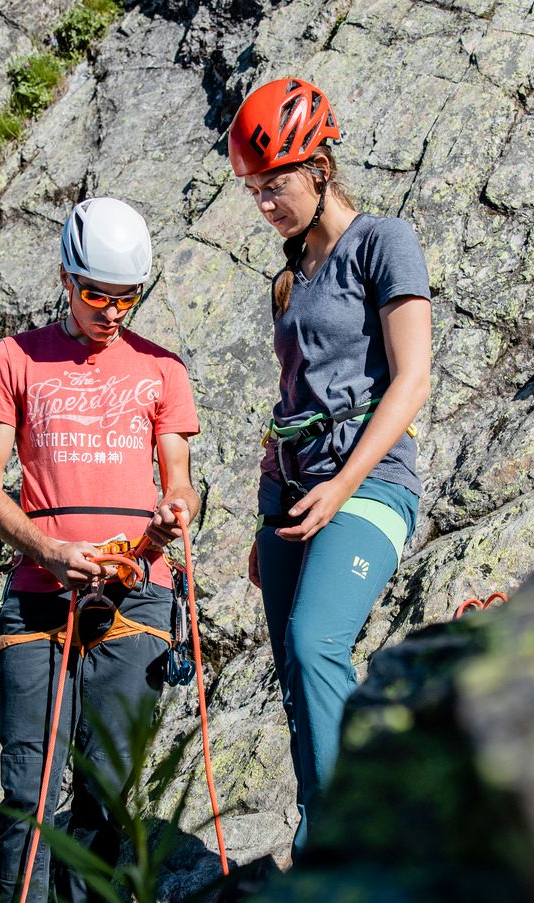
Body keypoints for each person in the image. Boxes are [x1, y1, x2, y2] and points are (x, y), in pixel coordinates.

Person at [0, 196, 201, 903]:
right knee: (32, 790)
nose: (112, 311)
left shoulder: (162, 368)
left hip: (138, 590)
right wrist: (47, 548)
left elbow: (180, 479)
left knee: (105, 783)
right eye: (98, 293)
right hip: (39, 592)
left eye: (127, 296)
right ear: (67, 278)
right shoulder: (15, 360)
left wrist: (174, 515)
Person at [227, 79, 433, 849]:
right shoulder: (289, 280)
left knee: (317, 643)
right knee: (296, 680)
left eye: (274, 185)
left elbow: (412, 379)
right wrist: (265, 513)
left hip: (370, 485)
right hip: (289, 496)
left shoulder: (383, 242)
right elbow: (289, 404)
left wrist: (342, 483)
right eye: (254, 191)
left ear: (318, 166)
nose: (266, 205)